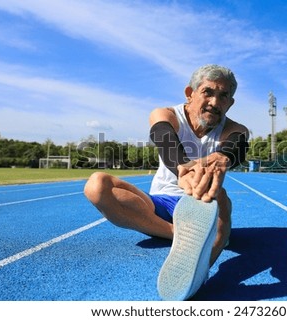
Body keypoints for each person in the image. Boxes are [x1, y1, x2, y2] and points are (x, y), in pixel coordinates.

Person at [84, 64, 249, 300]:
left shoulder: (234, 129)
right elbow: (164, 138)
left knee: (220, 196)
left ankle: (207, 257)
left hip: (202, 203)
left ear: (230, 103)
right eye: (208, 92)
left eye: (224, 96)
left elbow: (237, 143)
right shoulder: (166, 114)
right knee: (97, 185)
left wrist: (223, 157)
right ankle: (181, 235)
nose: (215, 101)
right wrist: (182, 169)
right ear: (189, 93)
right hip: (161, 203)